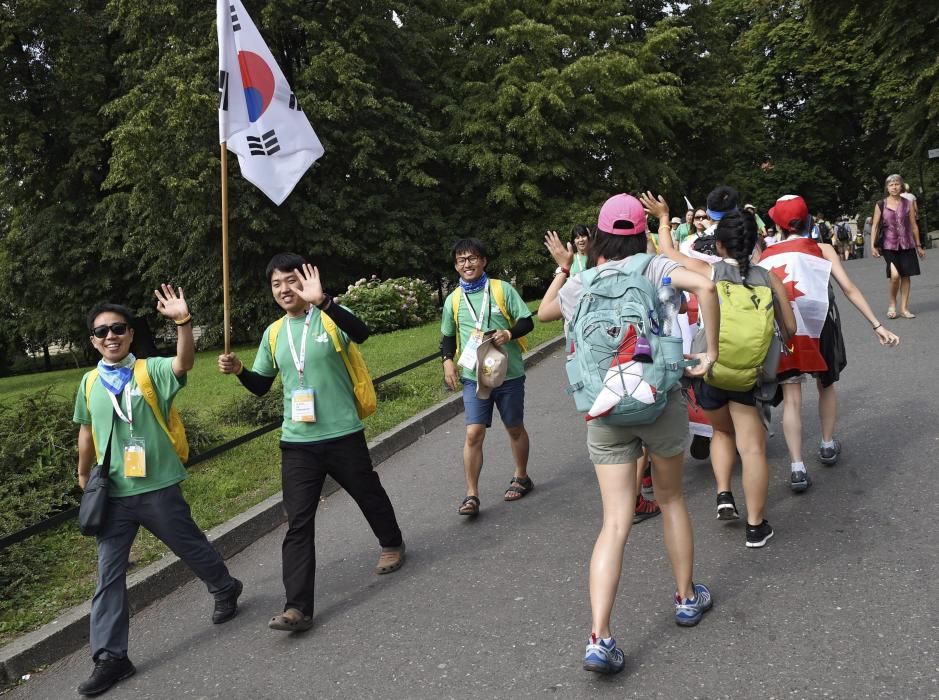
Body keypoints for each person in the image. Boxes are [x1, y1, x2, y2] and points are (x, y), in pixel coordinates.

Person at [539, 193, 720, 674]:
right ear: (640, 232)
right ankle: (685, 597)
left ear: (599, 236)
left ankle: (599, 636)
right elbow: (706, 286)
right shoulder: (656, 267)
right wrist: (710, 354)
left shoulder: (582, 282)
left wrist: (565, 267)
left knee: (615, 522)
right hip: (658, 401)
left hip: (605, 411)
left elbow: (544, 314)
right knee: (673, 500)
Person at [218, 254, 404, 633]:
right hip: (298, 442)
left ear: (306, 281)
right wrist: (240, 371)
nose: (284, 289)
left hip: (342, 434)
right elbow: (261, 386)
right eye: (276, 284)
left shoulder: (330, 315)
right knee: (298, 523)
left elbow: (363, 332)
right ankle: (296, 607)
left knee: (367, 493)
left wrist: (325, 301)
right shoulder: (273, 334)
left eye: (291, 280)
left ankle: (392, 542)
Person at [75, 290, 243, 697]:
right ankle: (111, 658)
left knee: (189, 546)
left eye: (118, 328)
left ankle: (224, 586)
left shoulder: (151, 371)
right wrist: (83, 476)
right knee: (108, 577)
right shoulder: (89, 381)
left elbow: (184, 362)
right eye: (102, 331)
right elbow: (85, 430)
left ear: (130, 334)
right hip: (112, 494)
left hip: (157, 487)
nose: (111, 336)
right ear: (94, 340)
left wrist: (183, 323)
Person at [645, 189, 797, 548]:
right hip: (749, 374)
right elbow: (789, 329)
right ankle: (756, 526)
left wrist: (664, 218)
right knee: (753, 447)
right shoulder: (769, 278)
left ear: (721, 246)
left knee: (722, 435)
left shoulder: (709, 271)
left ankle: (724, 494)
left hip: (709, 368)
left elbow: (669, 253)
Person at [763, 195, 899, 492]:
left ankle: (797, 467)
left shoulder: (765, 255)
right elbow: (848, 287)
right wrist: (876, 325)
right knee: (826, 384)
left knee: (792, 397)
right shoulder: (822, 249)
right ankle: (826, 444)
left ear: (777, 223)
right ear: (807, 219)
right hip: (819, 326)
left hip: (785, 330)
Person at [440, 239, 535, 516]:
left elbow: (527, 320)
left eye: (472, 259)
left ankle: (522, 476)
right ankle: (472, 495)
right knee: (473, 432)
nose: (466, 265)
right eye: (461, 260)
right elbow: (447, 335)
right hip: (473, 376)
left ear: (483, 261)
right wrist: (447, 361)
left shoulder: (501, 289)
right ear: (456, 266)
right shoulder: (453, 299)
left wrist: (509, 333)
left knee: (514, 427)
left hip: (509, 373)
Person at [871, 174, 925, 319]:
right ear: (887, 188)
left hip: (907, 243)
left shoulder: (908, 203)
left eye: (897, 184)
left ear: (901, 186)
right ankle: (892, 303)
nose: (894, 187)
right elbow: (875, 226)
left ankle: (904, 308)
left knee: (906, 276)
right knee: (895, 276)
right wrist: (872, 246)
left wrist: (918, 245)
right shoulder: (880, 204)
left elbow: (914, 225)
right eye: (891, 185)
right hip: (889, 245)